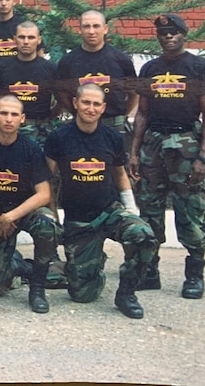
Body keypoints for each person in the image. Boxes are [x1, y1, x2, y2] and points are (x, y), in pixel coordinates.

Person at [44, 84, 157, 319]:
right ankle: (94, 265)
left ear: (103, 108)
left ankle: (126, 294)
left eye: (96, 104)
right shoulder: (58, 137)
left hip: (109, 212)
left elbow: (120, 175)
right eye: (86, 102)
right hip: (79, 222)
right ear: (75, 103)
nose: (91, 108)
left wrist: (131, 209)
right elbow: (47, 181)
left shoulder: (112, 137)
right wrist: (53, 218)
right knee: (83, 294)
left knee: (143, 234)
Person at [129, 14, 205, 299]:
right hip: (153, 143)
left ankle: (194, 275)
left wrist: (202, 157)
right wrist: (134, 152)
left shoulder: (200, 68)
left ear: (184, 34)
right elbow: (142, 112)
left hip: (185, 145)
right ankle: (149, 271)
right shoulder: (150, 69)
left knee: (189, 209)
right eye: (163, 33)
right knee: (150, 209)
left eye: (174, 32)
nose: (168, 37)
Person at [0, 95, 60, 313]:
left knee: (47, 225)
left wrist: (11, 216)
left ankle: (37, 288)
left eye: (14, 114)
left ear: (22, 119)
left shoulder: (31, 149)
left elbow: (44, 194)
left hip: (24, 211)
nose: (9, 119)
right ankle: (18, 265)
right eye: (4, 113)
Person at [56, 10, 137, 147]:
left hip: (114, 123)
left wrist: (122, 114)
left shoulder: (121, 59)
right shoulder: (68, 61)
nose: (91, 31)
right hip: (81, 124)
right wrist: (77, 113)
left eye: (96, 26)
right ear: (80, 30)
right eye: (86, 26)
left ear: (105, 29)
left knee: (119, 166)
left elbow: (134, 92)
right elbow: (60, 93)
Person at [0, 21, 59, 148]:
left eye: (31, 37)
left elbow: (61, 99)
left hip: (40, 129)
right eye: (21, 37)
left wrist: (48, 118)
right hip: (9, 128)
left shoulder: (51, 68)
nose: (26, 41)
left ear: (39, 40)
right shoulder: (3, 66)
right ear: (14, 39)